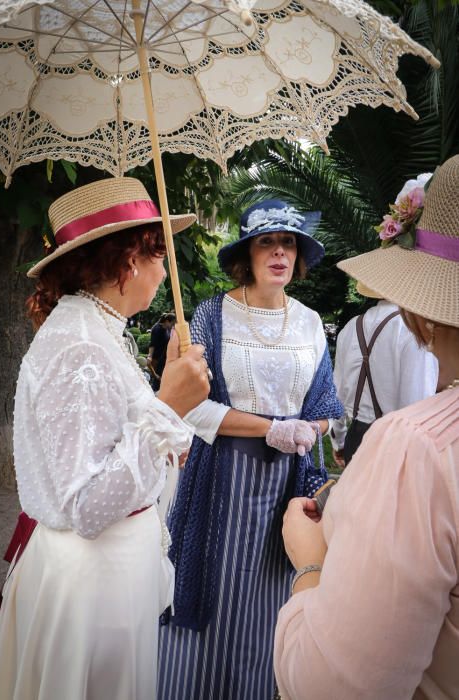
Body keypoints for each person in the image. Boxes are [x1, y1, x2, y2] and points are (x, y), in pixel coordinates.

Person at [0, 177, 211, 700]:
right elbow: (88, 504)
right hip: (94, 585)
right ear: (131, 259)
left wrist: (165, 397)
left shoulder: (98, 330)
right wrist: (166, 407)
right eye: (162, 254)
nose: (165, 270)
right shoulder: (81, 347)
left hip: (109, 576)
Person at [274, 156, 459, 700]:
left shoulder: (418, 446)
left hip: (372, 440)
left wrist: (310, 563)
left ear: (422, 310)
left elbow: (332, 687)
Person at [158, 199, 343, 700]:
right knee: (214, 593)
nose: (279, 252)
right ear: (248, 254)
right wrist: (271, 429)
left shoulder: (310, 322)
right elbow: (192, 409)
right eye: (267, 241)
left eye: (288, 243)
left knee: (268, 598)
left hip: (286, 484)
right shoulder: (210, 315)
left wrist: (308, 429)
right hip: (222, 480)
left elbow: (328, 405)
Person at [330, 280, 438, 467]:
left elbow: (336, 394)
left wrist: (338, 441)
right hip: (396, 444)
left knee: (355, 497)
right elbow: (419, 404)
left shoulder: (350, 328)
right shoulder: (415, 331)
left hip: (355, 439)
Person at [148, 313, 176, 391]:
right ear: (167, 321)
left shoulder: (166, 329)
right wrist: (150, 356)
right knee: (157, 382)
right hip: (157, 359)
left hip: (163, 359)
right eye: (172, 323)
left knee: (162, 382)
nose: (173, 326)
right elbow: (152, 344)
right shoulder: (157, 329)